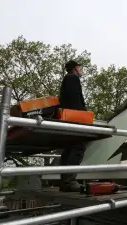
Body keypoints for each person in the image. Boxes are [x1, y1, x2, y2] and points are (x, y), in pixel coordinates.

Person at [58, 60, 86, 192]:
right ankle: (69, 181)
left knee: (69, 148)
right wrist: (83, 117)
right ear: (75, 68)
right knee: (77, 146)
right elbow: (76, 101)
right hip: (74, 118)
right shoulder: (73, 79)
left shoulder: (67, 80)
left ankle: (65, 181)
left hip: (68, 117)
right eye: (80, 67)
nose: (81, 70)